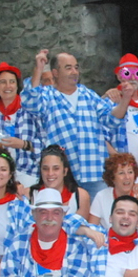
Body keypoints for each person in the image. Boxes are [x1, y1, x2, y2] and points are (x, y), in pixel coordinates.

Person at [22, 50, 112, 198]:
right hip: (62, 175)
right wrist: (39, 68)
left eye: (76, 67)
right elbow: (30, 102)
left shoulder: (88, 94)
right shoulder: (47, 95)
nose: (74, 72)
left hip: (93, 172)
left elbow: (111, 120)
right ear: (55, 73)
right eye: (68, 68)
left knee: (98, 211)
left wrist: (125, 99)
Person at [0, 61, 39, 188]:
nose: (8, 86)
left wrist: (23, 144)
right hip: (0, 176)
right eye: (3, 82)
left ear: (17, 85)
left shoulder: (30, 109)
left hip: (28, 174)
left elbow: (45, 142)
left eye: (12, 81)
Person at [30, 145, 91, 220]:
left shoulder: (81, 196)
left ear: (65, 171)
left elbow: (81, 225)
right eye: (45, 168)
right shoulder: (29, 194)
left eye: (56, 168)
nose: (50, 173)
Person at [89, 152, 138, 230]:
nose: (127, 177)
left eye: (130, 172)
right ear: (112, 177)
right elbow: (91, 229)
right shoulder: (101, 196)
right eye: (121, 173)